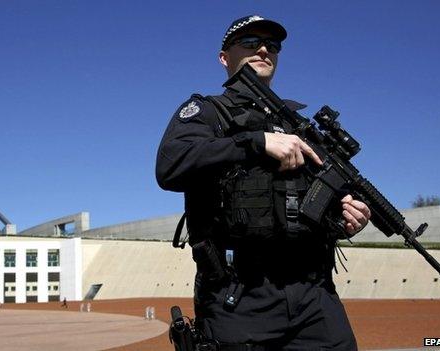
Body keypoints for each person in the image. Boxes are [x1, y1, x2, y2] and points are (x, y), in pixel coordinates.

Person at [156, 15, 371, 350]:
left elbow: (319, 202)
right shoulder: (208, 112)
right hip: (239, 296)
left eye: (272, 45)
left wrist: (346, 216)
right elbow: (170, 165)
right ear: (224, 57)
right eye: (250, 42)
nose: (263, 49)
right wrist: (256, 143)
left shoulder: (300, 126)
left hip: (315, 294)